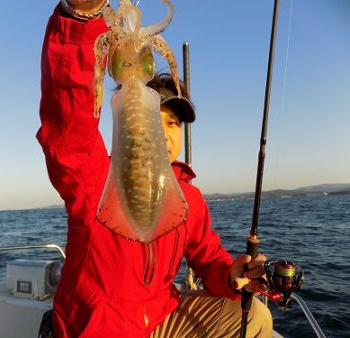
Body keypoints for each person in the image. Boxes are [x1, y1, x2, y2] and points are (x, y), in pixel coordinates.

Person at [37, 1, 273, 337]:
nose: (163, 131)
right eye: (151, 116)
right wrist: (80, 20)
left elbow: (208, 259)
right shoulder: (92, 178)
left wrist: (231, 273)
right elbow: (67, 125)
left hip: (159, 317)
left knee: (254, 316)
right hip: (96, 327)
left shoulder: (187, 196)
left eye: (173, 123)